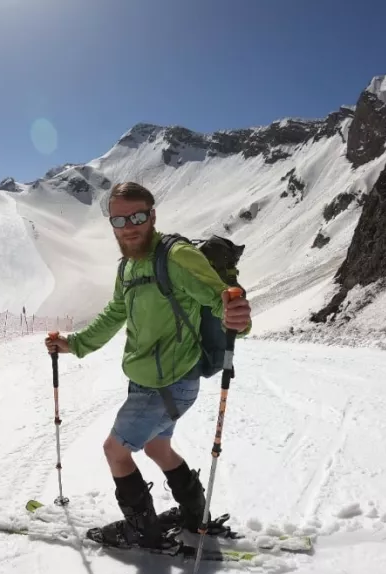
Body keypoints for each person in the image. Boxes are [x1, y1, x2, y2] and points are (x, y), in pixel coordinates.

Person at [44, 181, 252, 549]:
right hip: (148, 383)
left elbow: (219, 300)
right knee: (158, 448)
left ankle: (143, 531)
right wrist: (75, 344)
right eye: (119, 220)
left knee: (115, 450)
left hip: (170, 383)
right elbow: (116, 311)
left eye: (137, 217)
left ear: (152, 215)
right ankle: (196, 516)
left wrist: (237, 316)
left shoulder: (177, 257)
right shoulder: (128, 266)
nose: (129, 226)